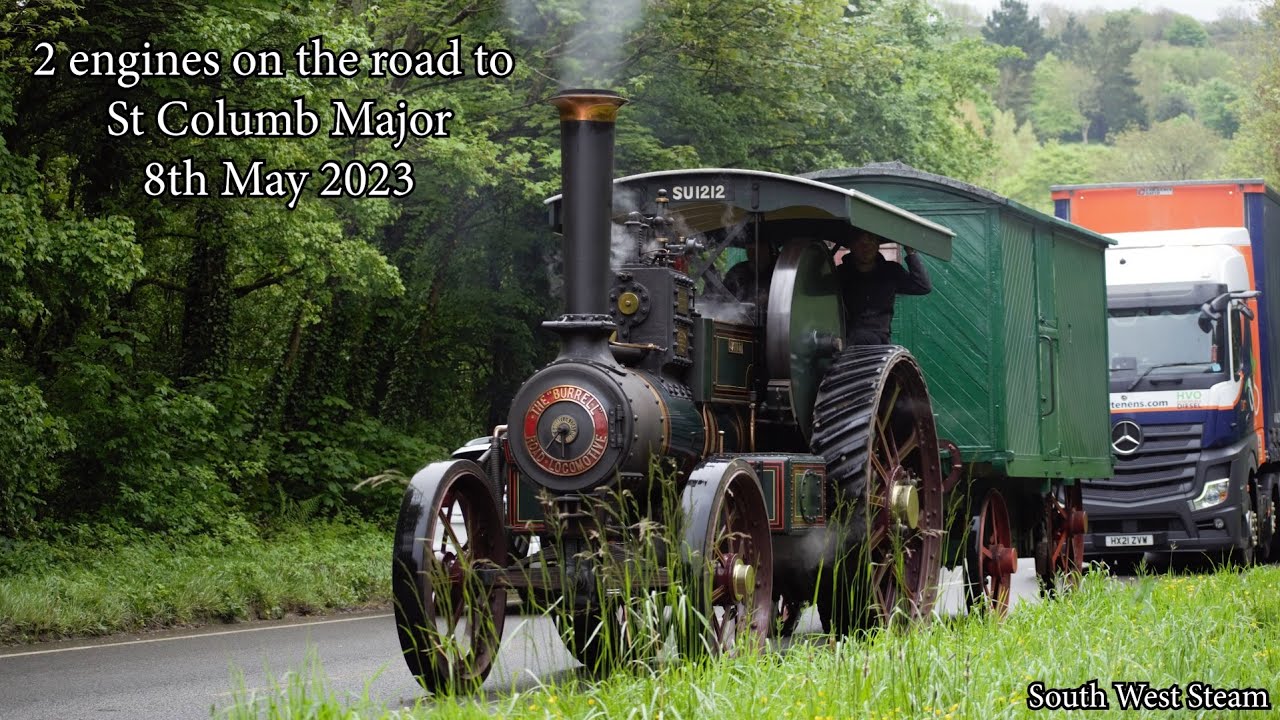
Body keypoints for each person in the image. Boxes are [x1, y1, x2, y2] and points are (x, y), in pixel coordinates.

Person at [837, 230, 932, 345]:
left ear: (877, 245)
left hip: (880, 340)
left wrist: (910, 251)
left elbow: (922, 286)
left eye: (871, 242)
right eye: (860, 243)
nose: (866, 248)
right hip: (847, 341)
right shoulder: (840, 273)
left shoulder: (891, 271)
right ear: (851, 246)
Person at [722, 234, 775, 305]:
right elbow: (724, 296)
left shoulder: (780, 268)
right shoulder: (737, 270)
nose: (753, 253)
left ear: (768, 249)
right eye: (750, 249)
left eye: (758, 248)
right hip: (738, 314)